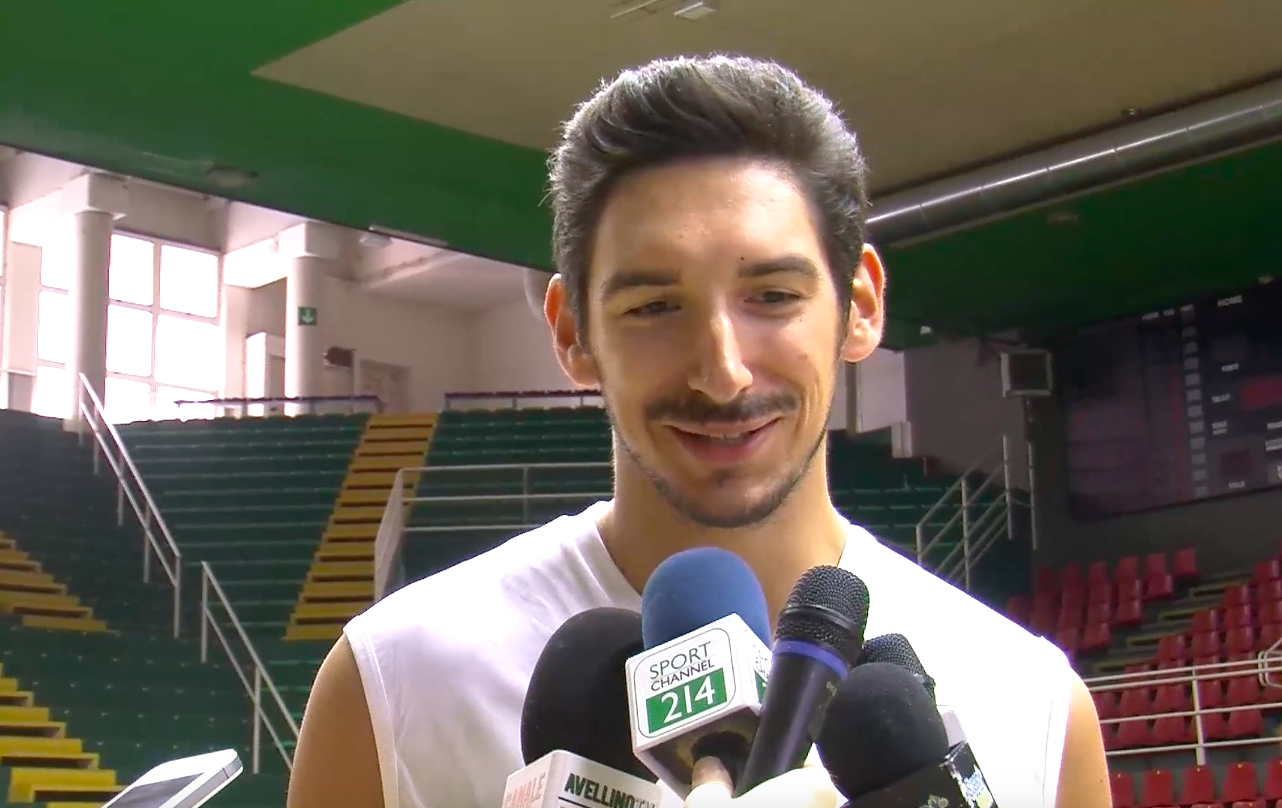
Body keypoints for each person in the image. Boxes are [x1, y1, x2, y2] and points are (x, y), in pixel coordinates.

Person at [287, 54, 1111, 808]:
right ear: (572, 333)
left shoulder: (1030, 705)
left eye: (773, 296)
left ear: (860, 306)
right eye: (654, 307)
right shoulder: (395, 684)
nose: (723, 373)